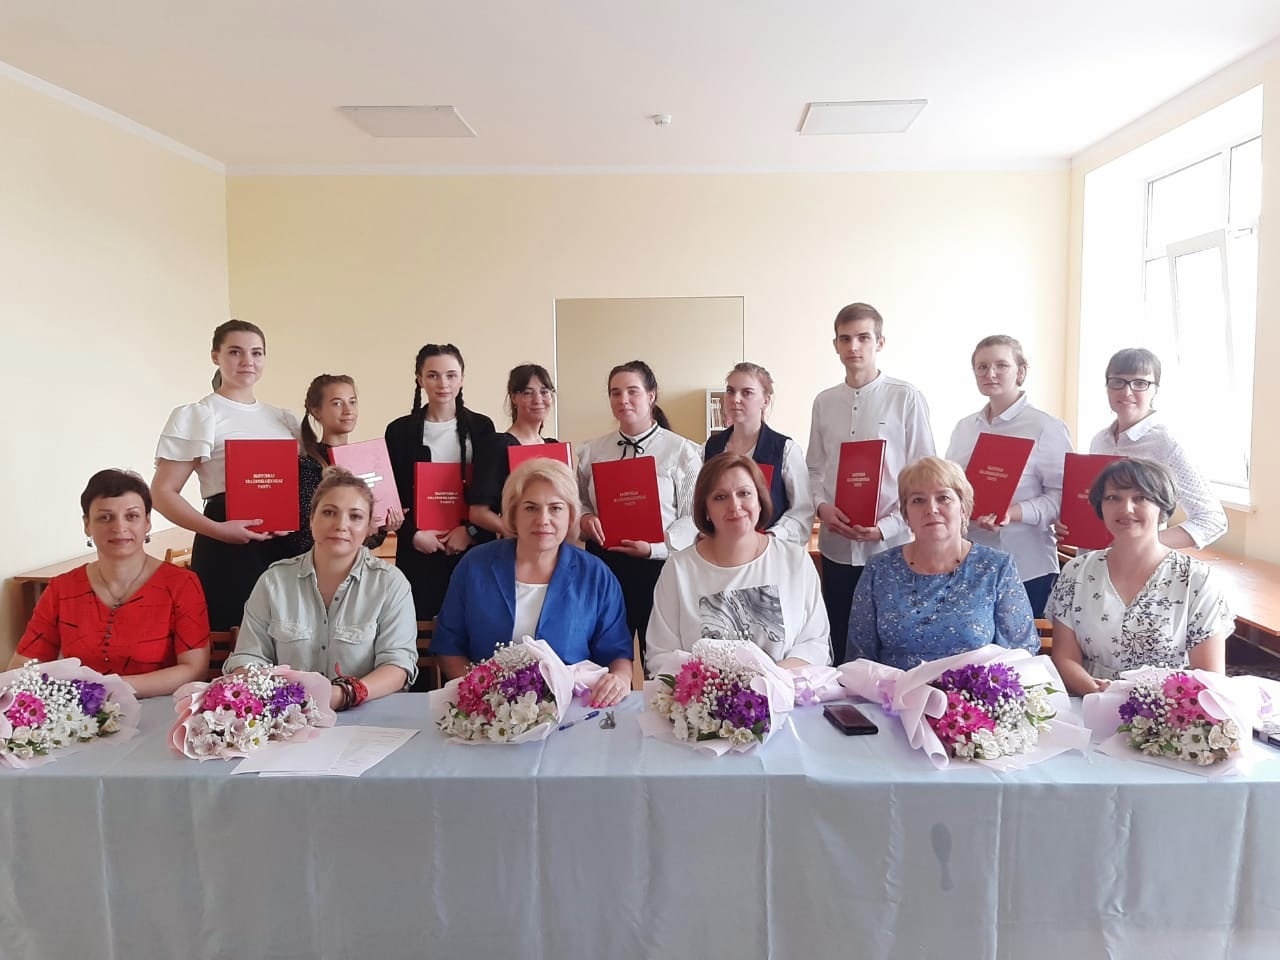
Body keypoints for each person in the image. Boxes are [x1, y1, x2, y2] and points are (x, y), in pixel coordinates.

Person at [433, 460, 633, 707]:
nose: (543, 519)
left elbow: (617, 654)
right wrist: (482, 693)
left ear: (571, 515)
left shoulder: (595, 575)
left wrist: (620, 678)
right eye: (531, 508)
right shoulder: (475, 566)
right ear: (513, 514)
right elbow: (449, 647)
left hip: (572, 707)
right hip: (487, 709)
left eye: (556, 508)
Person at [225, 468, 418, 710]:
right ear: (311, 519)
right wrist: (270, 694)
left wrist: (343, 695)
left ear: (370, 527)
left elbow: (398, 664)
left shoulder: (390, 583)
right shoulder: (273, 581)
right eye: (329, 512)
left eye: (355, 516)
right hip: (286, 716)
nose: (341, 525)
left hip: (365, 718)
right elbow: (248, 658)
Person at [807, 302, 935, 664]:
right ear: (835, 345)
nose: (854, 347)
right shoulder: (824, 402)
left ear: (880, 342)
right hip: (836, 546)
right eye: (845, 339)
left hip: (891, 546)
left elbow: (925, 475)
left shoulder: (906, 397)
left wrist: (886, 527)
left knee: (890, 644)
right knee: (840, 638)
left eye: (863, 337)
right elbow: (813, 469)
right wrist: (821, 508)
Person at [152, 320, 300, 631]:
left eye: (256, 353)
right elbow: (162, 493)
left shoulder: (283, 418)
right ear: (215, 356)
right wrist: (219, 531)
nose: (247, 361)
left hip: (286, 546)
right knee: (235, 634)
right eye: (235, 352)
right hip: (227, 544)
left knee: (289, 636)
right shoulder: (201, 414)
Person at [9, 469, 210, 697]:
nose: (119, 528)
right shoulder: (61, 589)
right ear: (87, 525)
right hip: (81, 712)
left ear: (147, 522)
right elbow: (22, 669)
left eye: (131, 516)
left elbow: (194, 670)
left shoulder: (181, 584)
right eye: (105, 517)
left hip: (160, 708)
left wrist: (105, 689)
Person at [1047, 458, 1233, 695]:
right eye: (1113, 498)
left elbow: (1208, 675)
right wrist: (1101, 694)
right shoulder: (1076, 572)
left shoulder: (1196, 580)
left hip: (1168, 705)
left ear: (1162, 508)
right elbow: (1064, 657)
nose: (1126, 508)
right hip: (1088, 699)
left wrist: (1139, 702)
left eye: (1141, 498)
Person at [845, 457, 1039, 669]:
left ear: (963, 509)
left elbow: (1022, 652)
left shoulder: (997, 567)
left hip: (974, 689)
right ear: (906, 515)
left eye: (943, 498)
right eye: (918, 500)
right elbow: (859, 657)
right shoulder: (879, 569)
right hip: (894, 689)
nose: (932, 509)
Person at [647, 453, 831, 671]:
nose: (734, 506)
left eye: (744, 493)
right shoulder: (678, 569)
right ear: (705, 510)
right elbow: (661, 655)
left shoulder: (795, 561)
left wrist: (768, 679)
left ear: (760, 501)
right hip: (705, 693)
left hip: (785, 689)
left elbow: (815, 645)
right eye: (720, 497)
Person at [577, 360, 702, 666]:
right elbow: (577, 500)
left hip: (659, 566)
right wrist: (585, 518)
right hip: (605, 565)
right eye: (615, 393)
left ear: (651, 395)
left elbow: (693, 517)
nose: (623, 400)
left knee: (660, 658)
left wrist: (655, 548)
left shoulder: (682, 451)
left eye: (632, 391)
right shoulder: (592, 451)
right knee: (603, 656)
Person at [945, 335, 1072, 617]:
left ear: (1021, 372)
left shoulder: (1045, 427)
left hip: (1026, 565)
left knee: (1022, 644)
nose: (990, 373)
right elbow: (950, 486)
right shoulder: (965, 428)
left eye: (1001, 365)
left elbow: (1062, 497)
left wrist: (1012, 513)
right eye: (981, 367)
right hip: (970, 561)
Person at [384, 344, 497, 621]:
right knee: (416, 626)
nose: (443, 383)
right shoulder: (399, 431)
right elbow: (393, 496)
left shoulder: (482, 427)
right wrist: (413, 535)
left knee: (472, 625)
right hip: (418, 549)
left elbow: (491, 491)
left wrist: (469, 531)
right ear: (420, 380)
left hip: (471, 548)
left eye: (451, 375)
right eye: (433, 375)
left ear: (462, 378)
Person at [1082, 347, 1226, 549]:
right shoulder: (1099, 440)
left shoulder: (1166, 443)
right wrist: (1073, 524)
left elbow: (1212, 520)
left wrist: (1143, 542)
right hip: (1091, 560)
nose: (1127, 391)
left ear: (1155, 389)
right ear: (1107, 387)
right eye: (1117, 381)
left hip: (1139, 563)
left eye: (1140, 383)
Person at [289, 373, 403, 554]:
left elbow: (371, 541)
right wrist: (358, 532)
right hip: (316, 565)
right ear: (316, 411)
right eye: (337, 403)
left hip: (356, 564)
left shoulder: (369, 462)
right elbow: (303, 536)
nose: (348, 410)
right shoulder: (307, 466)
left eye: (352, 402)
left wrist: (383, 528)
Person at [703, 362, 814, 544]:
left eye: (746, 393)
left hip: (772, 550)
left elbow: (802, 512)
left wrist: (771, 537)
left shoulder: (785, 450)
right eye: (730, 391)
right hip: (723, 549)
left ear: (765, 400)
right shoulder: (711, 448)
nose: (735, 399)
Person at [470, 363, 562, 537]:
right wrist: (517, 534)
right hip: (516, 545)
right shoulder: (498, 445)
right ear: (514, 398)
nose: (538, 400)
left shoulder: (554, 447)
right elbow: (478, 513)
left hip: (552, 542)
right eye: (527, 393)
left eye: (544, 392)